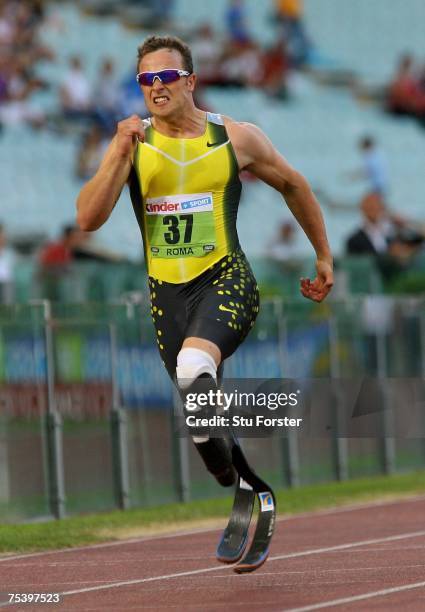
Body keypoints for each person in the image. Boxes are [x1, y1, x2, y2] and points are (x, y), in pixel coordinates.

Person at [76, 35, 333, 489]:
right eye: (146, 79)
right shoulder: (132, 144)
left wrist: (323, 254)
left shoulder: (235, 137)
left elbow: (294, 185)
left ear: (190, 81)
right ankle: (239, 482)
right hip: (166, 296)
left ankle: (249, 484)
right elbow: (87, 218)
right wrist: (116, 152)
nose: (156, 86)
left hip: (226, 279)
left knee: (194, 367)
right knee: (200, 419)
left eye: (167, 76)